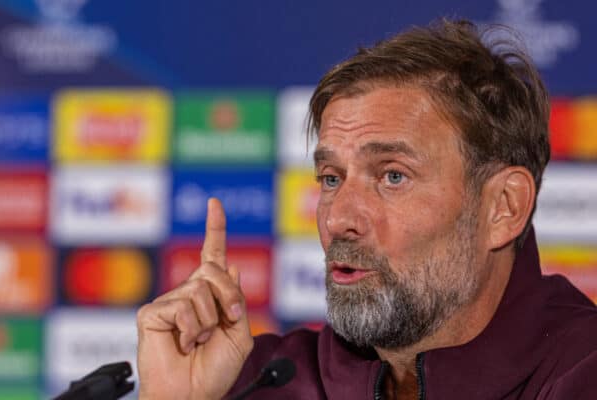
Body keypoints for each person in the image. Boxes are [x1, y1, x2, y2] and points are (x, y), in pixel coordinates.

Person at [136, 19, 597, 399]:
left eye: (392, 176)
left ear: (504, 207)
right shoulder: (261, 379)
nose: (339, 219)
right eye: (331, 179)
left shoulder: (581, 373)